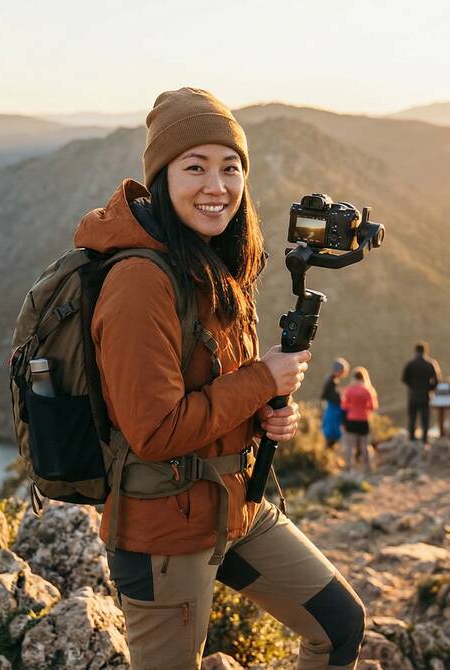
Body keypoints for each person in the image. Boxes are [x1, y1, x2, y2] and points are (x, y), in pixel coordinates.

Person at [79, 88, 364, 670]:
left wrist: (266, 411)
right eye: (195, 167)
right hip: (165, 535)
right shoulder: (140, 281)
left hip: (235, 507)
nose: (217, 186)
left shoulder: (210, 263)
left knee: (339, 625)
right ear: (162, 178)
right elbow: (155, 430)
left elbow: (217, 388)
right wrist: (262, 379)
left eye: (230, 167)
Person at [400, 341, 442, 444]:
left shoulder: (410, 364)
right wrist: (430, 388)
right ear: (425, 351)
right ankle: (424, 439)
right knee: (425, 418)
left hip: (413, 394)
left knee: (412, 417)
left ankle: (412, 438)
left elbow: (404, 379)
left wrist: (412, 386)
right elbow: (437, 379)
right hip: (425, 394)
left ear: (415, 351)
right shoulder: (430, 364)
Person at [340, 366, 378, 472]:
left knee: (350, 446)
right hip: (363, 420)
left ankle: (349, 467)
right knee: (364, 445)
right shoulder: (367, 390)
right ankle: (367, 467)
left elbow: (344, 406)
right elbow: (373, 407)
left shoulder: (349, 390)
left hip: (351, 419)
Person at [321, 358, 350, 449]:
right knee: (331, 435)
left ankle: (330, 457)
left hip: (332, 409)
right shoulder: (331, 381)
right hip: (333, 410)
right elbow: (325, 395)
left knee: (332, 435)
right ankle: (328, 458)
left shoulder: (332, 380)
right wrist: (340, 397)